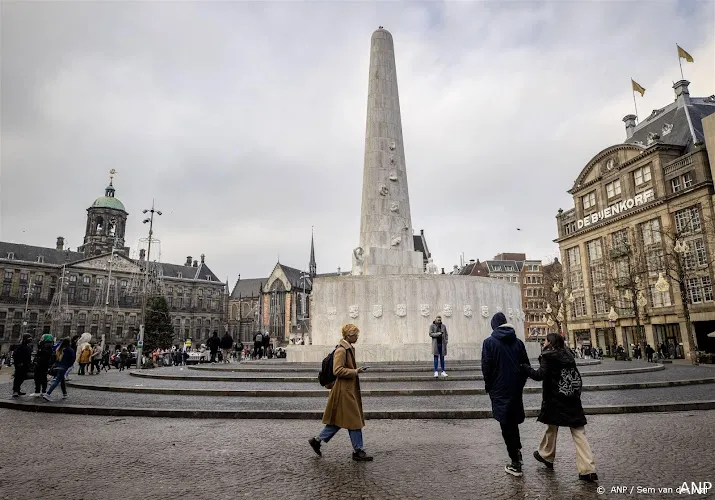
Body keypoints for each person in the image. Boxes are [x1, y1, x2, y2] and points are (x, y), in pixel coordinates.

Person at [523, 332, 598, 482]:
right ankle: (587, 468)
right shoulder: (568, 355)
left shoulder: (548, 356)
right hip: (571, 397)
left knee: (553, 425)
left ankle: (547, 455)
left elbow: (540, 375)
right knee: (577, 432)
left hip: (556, 399)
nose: (543, 343)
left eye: (545, 341)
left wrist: (525, 368)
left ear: (550, 342)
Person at [308, 324, 373, 462]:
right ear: (349, 335)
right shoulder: (342, 350)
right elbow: (337, 370)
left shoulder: (349, 349)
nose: (357, 337)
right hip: (344, 391)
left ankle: (317, 440)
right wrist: (356, 371)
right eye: (356, 335)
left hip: (347, 389)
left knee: (338, 420)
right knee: (354, 420)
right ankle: (358, 450)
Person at [481, 312, 529, 477]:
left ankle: (515, 462)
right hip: (515, 389)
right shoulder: (519, 343)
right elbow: (526, 367)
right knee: (513, 422)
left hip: (499, 389)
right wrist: (519, 384)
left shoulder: (489, 343)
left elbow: (486, 367)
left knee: (506, 424)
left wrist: (490, 387)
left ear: (494, 325)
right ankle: (517, 453)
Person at [43, 337, 75, 401]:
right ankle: (48, 394)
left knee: (61, 379)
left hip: (57, 366)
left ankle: (64, 394)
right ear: (69, 343)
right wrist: (69, 365)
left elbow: (54, 358)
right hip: (63, 367)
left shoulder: (59, 349)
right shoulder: (70, 350)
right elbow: (72, 359)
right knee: (57, 380)